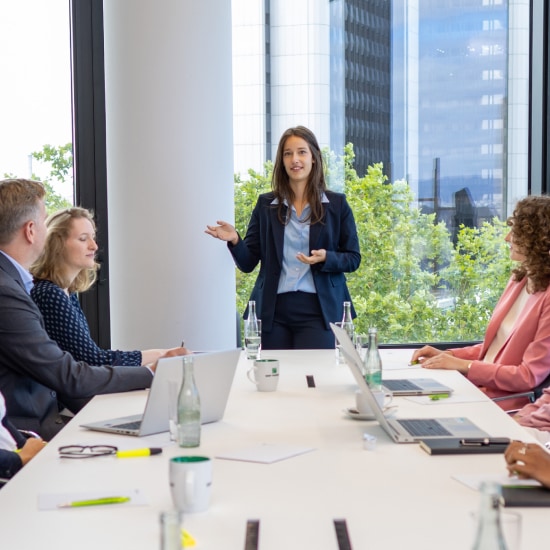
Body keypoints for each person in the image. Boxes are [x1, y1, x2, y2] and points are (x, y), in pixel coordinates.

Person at [0, 178, 187, 440]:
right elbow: (69, 374)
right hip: (28, 433)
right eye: (43, 221)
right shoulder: (10, 291)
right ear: (31, 230)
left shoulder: (17, 283)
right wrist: (151, 372)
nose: (94, 246)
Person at [206, 126, 361, 349]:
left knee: (313, 380)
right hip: (273, 311)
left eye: (301, 152)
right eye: (288, 153)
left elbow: (353, 258)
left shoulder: (336, 205)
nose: (294, 159)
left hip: (319, 309)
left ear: (314, 158)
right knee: (275, 380)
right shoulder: (266, 205)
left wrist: (326, 257)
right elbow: (248, 262)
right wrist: (235, 240)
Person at [410, 195, 550, 410]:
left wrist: (463, 365)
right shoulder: (519, 280)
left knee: (418, 410)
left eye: (515, 231)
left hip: (500, 402)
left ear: (538, 239)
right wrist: (449, 355)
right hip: (475, 388)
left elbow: (527, 377)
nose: (507, 238)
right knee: (408, 400)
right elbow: (494, 349)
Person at [30, 207, 175, 366]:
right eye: (83, 239)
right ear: (57, 244)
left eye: (93, 237)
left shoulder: (67, 293)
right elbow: (93, 359)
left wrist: (161, 355)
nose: (94, 246)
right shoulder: (49, 294)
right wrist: (161, 354)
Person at [0, 391, 45, 482]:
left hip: (15, 461)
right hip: (7, 470)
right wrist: (20, 458)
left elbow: (3, 420)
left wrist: (25, 444)